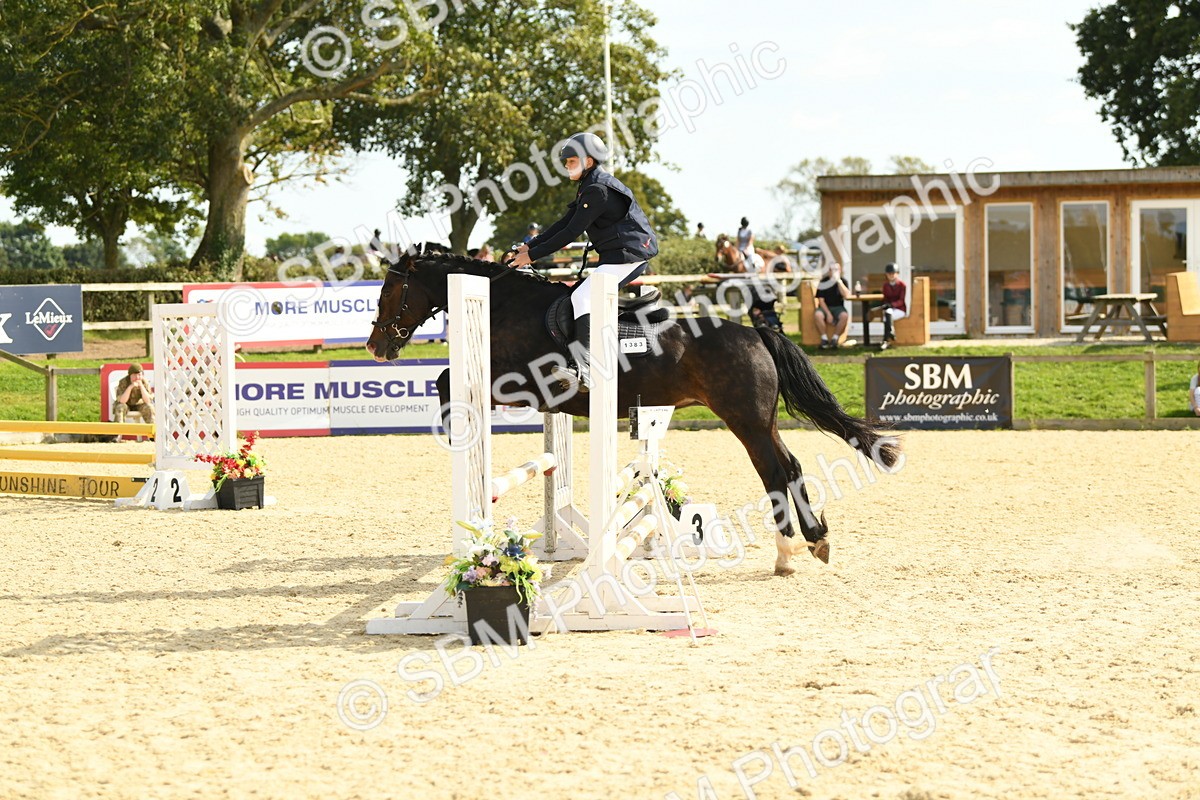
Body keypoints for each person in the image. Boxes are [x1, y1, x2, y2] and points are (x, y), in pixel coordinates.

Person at [506, 132, 658, 391]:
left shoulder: (598, 190)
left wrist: (531, 257)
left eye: (571, 161)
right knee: (577, 296)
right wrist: (530, 245)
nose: (566, 166)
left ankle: (585, 369)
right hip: (618, 255)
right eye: (565, 162)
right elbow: (563, 223)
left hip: (630, 256)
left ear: (588, 161)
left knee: (582, 298)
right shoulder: (589, 186)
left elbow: (569, 233)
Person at [814, 264, 851, 349]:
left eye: (836, 270)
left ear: (840, 271)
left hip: (838, 307)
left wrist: (838, 281)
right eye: (832, 270)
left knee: (844, 316)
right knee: (818, 315)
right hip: (825, 307)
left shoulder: (843, 281)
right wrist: (828, 313)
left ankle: (835, 339)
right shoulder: (823, 282)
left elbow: (846, 296)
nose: (834, 272)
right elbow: (821, 300)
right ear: (829, 271)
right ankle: (824, 339)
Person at [874, 263, 908, 350]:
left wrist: (892, 305)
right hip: (889, 309)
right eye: (889, 274)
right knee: (887, 314)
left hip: (900, 309)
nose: (891, 276)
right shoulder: (885, 285)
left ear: (897, 274)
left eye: (893, 273)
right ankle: (890, 334)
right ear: (886, 275)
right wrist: (885, 305)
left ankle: (886, 339)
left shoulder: (902, 285)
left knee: (887, 317)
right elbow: (885, 298)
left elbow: (901, 300)